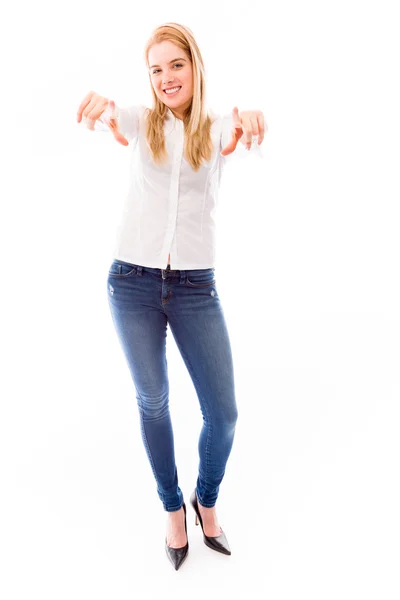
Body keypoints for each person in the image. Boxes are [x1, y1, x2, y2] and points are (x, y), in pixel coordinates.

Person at [76, 21, 266, 570]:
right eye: (155, 69)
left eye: (175, 65)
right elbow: (116, 116)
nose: (165, 78)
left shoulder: (216, 126)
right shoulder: (143, 121)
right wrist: (103, 106)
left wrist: (255, 119)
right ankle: (172, 510)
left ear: (194, 66)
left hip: (194, 289)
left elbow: (245, 129)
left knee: (223, 413)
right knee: (153, 401)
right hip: (130, 285)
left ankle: (205, 498)